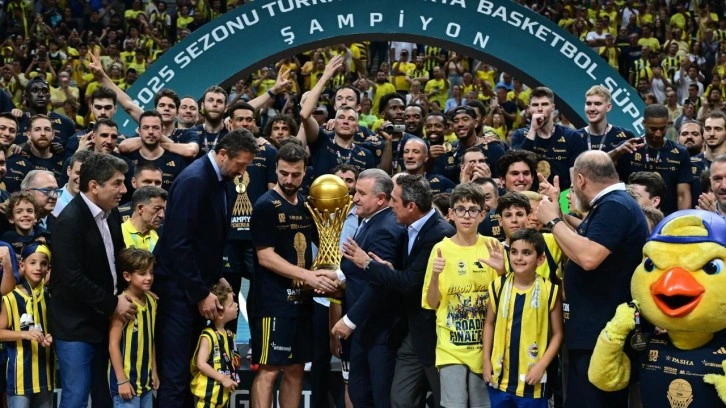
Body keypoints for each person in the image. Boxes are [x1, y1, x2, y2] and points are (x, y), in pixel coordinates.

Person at [153, 128, 258, 408]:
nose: (242, 172)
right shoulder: (195, 180)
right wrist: (201, 292)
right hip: (178, 292)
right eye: (241, 165)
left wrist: (215, 276)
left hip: (192, 287)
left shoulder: (216, 178)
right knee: (176, 375)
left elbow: (204, 239)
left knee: (190, 370)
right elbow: (178, 244)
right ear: (223, 154)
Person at [536, 150, 649, 407]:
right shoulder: (611, 204)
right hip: (593, 334)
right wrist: (558, 213)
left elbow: (588, 257)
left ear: (581, 179)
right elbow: (581, 243)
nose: (573, 191)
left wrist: (552, 221)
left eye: (573, 185)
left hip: (601, 336)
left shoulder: (614, 206)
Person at [344, 174, 455, 407]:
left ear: (411, 206)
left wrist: (368, 264)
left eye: (394, 200)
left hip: (435, 334)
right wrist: (390, 270)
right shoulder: (409, 227)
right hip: (410, 331)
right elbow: (407, 275)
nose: (391, 205)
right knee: (401, 399)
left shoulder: (439, 233)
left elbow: (409, 283)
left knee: (444, 401)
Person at [248, 141, 338, 408]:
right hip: (272, 302)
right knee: (269, 370)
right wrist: (307, 275)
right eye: (284, 173)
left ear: (304, 171)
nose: (289, 180)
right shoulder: (265, 205)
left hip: (302, 302)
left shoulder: (307, 205)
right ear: (276, 169)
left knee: (296, 368)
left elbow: (326, 246)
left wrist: (329, 272)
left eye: (295, 174)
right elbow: (265, 256)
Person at [49, 152, 135, 408]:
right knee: (76, 396)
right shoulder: (69, 221)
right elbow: (72, 278)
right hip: (75, 324)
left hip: (104, 320)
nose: (124, 190)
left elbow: (118, 258)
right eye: (117, 183)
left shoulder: (113, 213)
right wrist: (113, 303)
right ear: (94, 186)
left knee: (103, 397)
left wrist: (134, 287)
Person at [422, 183, 503, 408]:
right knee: (454, 405)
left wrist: (501, 272)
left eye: (473, 210)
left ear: (483, 214)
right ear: (451, 214)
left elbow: (506, 300)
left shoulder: (493, 246)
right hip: (451, 347)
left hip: (486, 346)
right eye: (460, 209)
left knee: (483, 405)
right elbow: (431, 303)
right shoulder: (440, 249)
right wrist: (435, 276)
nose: (466, 216)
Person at [333, 169, 405, 408]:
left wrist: (350, 320)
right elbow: (361, 271)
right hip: (367, 329)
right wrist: (337, 276)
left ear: (381, 198)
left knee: (376, 398)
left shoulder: (386, 228)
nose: (355, 198)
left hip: (379, 331)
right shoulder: (370, 221)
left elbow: (379, 283)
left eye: (362, 194)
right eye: (356, 192)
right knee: (360, 394)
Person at [483, 229, 564, 407]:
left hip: (532, 381)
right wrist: (486, 361)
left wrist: (541, 366)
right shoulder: (498, 286)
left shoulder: (550, 291)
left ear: (540, 259)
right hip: (499, 379)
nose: (519, 258)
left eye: (526, 253)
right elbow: (489, 324)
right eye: (514, 252)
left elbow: (558, 334)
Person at [610, 104, 691, 215]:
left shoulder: (680, 153)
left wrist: (682, 220)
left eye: (662, 128)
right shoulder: (627, 147)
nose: (658, 133)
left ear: (667, 124)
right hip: (630, 215)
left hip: (666, 218)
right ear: (644, 123)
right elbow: (598, 168)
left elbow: (683, 194)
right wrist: (616, 152)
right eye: (653, 129)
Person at [0, 243, 54, 408]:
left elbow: (52, 328)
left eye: (43, 264)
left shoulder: (50, 297)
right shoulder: (11, 297)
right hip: (19, 379)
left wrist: (50, 336)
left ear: (48, 269)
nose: (38, 268)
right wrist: (24, 334)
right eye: (33, 263)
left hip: (45, 376)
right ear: (22, 265)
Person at [108, 248, 158, 408]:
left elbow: (150, 340)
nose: (149, 277)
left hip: (146, 383)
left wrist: (154, 371)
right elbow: (113, 344)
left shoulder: (152, 302)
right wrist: (121, 380)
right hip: (126, 385)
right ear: (127, 276)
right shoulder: (123, 305)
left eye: (151, 272)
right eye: (142, 273)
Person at [510, 87, 587, 190]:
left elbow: (575, 181)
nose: (540, 109)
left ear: (553, 107)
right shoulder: (519, 135)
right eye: (535, 105)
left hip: (562, 196)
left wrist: (562, 199)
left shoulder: (571, 136)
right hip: (529, 196)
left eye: (545, 104)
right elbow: (516, 167)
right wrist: (533, 130)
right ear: (529, 108)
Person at [190, 283, 240, 408]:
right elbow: (201, 364)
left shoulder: (229, 335)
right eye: (231, 304)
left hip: (223, 398)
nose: (236, 305)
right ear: (221, 313)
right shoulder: (208, 336)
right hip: (207, 401)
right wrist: (222, 378)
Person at [121, 186, 166, 250]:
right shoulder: (119, 233)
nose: (162, 215)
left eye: (163, 210)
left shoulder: (156, 236)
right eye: (157, 209)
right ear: (140, 208)